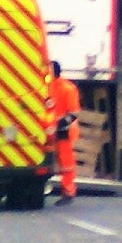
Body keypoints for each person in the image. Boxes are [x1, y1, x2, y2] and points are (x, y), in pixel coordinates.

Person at [47, 61, 83, 201]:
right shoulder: (49, 87)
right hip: (50, 129)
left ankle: (68, 191)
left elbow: (73, 113)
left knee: (66, 162)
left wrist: (57, 125)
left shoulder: (67, 88)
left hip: (64, 131)